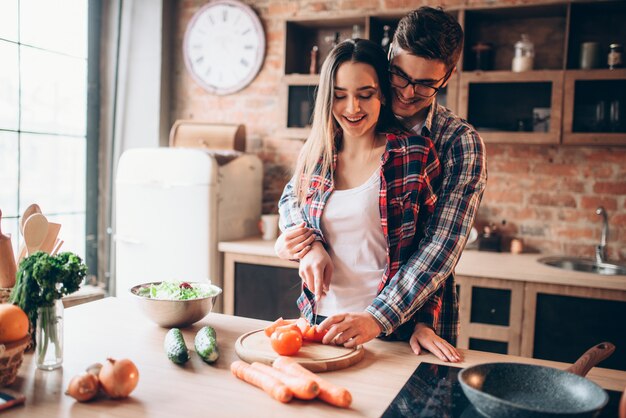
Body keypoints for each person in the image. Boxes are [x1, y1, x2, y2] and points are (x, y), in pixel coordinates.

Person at [276, 6, 487, 362]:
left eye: (424, 84)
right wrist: (303, 240)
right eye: (400, 77)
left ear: (447, 77)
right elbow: (293, 196)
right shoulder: (341, 129)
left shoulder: (454, 143)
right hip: (327, 320)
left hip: (413, 326)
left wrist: (382, 317)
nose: (406, 92)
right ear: (389, 59)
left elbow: (438, 248)